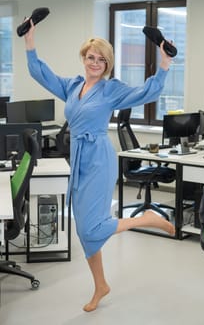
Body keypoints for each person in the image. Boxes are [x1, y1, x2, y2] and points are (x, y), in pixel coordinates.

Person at [23, 21, 175, 312]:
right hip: (78, 158)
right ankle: (101, 286)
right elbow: (40, 73)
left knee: (93, 228)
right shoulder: (72, 85)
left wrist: (164, 64)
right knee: (84, 230)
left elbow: (147, 93)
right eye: (91, 57)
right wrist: (30, 41)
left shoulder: (111, 90)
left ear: (107, 64)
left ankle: (146, 220)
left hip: (99, 160)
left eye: (101, 59)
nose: (95, 62)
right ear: (84, 57)